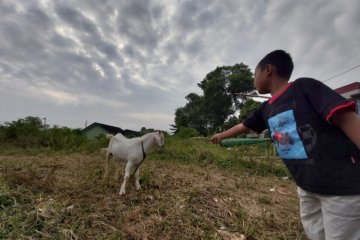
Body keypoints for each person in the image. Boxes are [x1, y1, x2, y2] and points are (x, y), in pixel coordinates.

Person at [210, 50, 360, 240]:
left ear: (268, 70)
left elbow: (347, 119)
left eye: (254, 74)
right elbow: (244, 126)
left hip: (342, 189)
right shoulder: (266, 108)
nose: (254, 80)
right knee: (315, 234)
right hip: (306, 186)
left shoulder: (304, 87)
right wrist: (221, 135)